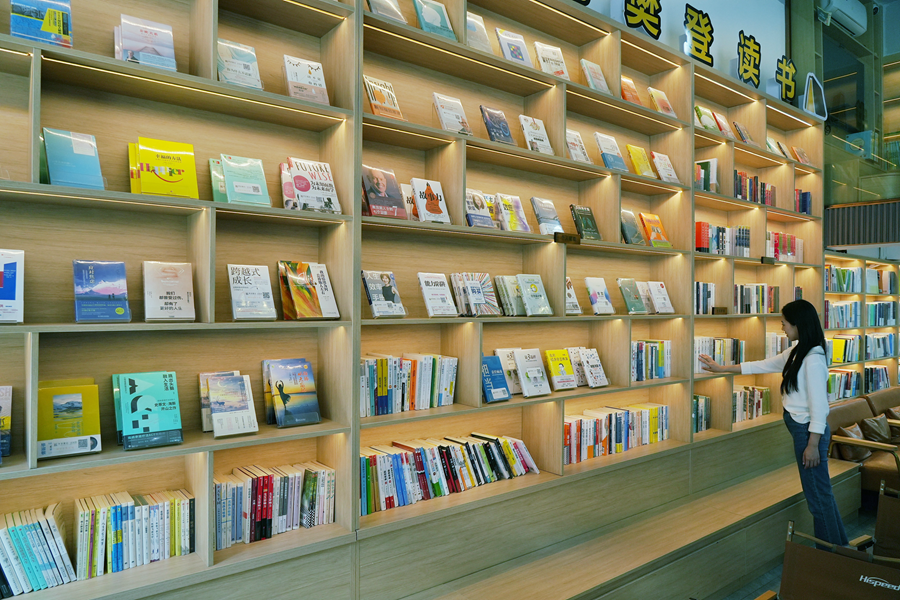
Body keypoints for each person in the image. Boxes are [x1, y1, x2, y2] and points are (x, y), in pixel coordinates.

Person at [698, 299, 848, 548]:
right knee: (822, 496)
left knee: (818, 500)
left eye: (784, 323)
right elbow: (764, 364)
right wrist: (722, 368)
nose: (782, 328)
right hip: (804, 432)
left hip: (809, 434)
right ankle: (840, 551)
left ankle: (830, 558)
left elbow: (820, 407)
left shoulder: (812, 359)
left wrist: (812, 444)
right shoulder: (799, 351)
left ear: (798, 325)